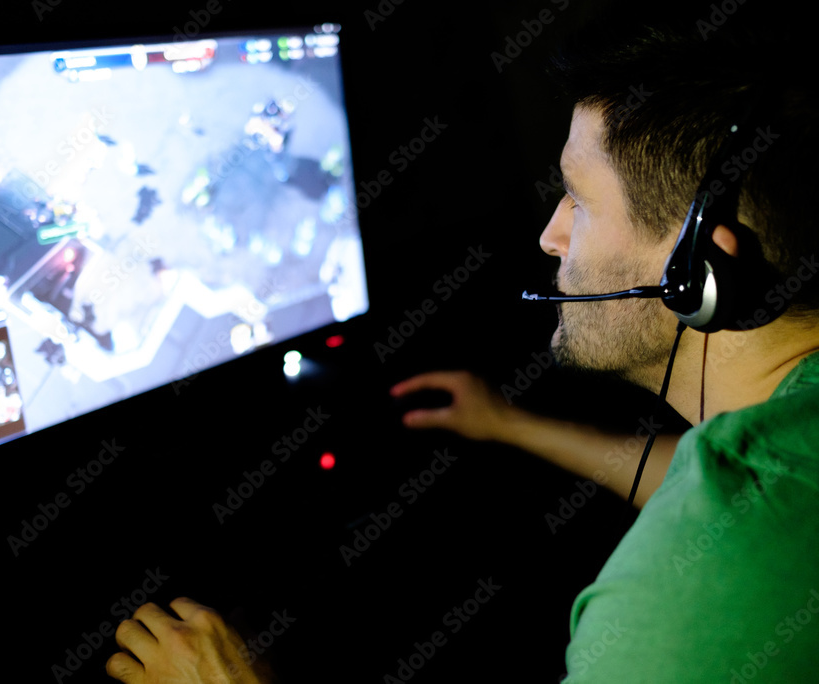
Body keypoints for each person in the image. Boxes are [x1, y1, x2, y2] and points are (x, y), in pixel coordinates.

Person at [104, 7, 819, 683]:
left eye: (581, 200)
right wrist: (510, 423)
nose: (551, 235)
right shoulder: (786, 434)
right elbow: (721, 476)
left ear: (696, 270)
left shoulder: (668, 611)